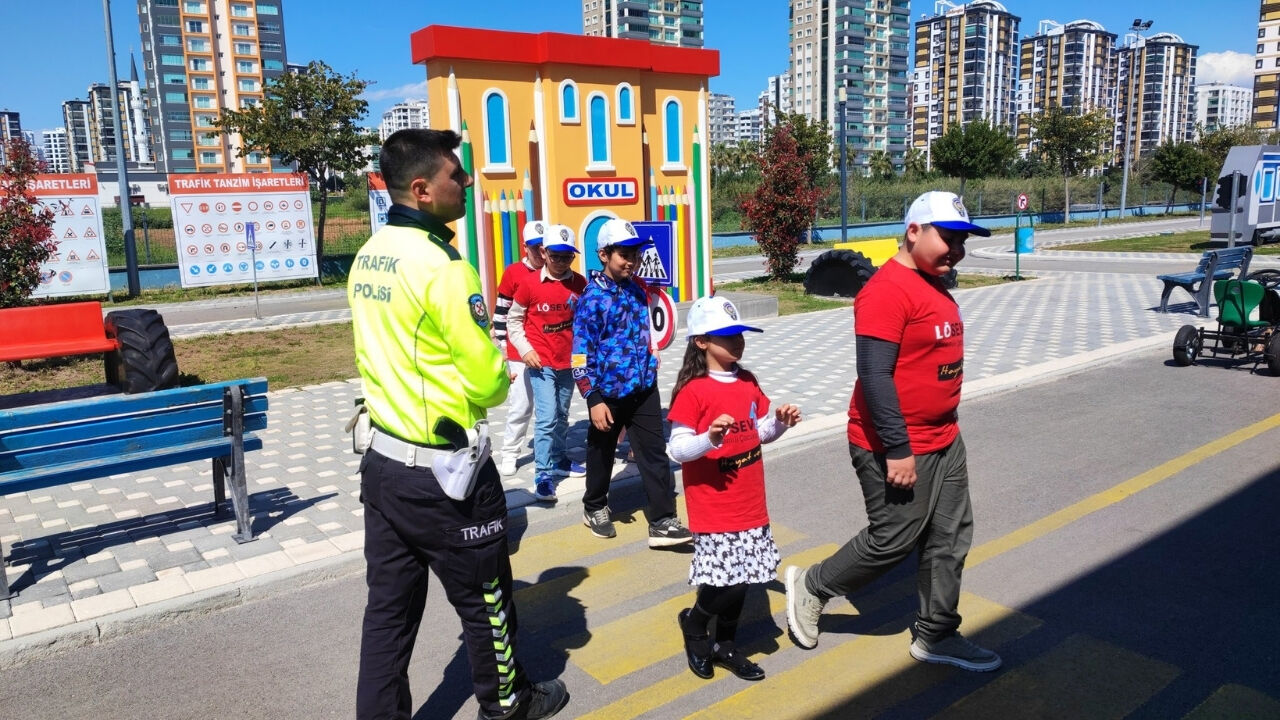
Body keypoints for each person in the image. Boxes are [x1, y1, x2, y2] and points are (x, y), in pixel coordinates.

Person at [349, 128, 568, 720]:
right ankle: (508, 704)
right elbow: (484, 379)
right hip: (449, 475)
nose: (467, 181)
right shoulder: (445, 266)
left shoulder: (371, 254)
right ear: (421, 188)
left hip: (385, 463)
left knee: (388, 613)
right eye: (455, 174)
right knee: (487, 599)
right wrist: (504, 375)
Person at [783, 190, 1001, 673]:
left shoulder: (934, 282)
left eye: (963, 241)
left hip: (944, 437)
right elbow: (875, 375)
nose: (958, 250)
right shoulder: (887, 290)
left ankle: (937, 632)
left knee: (950, 535)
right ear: (914, 231)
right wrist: (899, 450)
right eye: (950, 238)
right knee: (894, 539)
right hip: (895, 443)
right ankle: (813, 585)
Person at [667, 296, 801, 682]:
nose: (737, 341)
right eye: (726, 336)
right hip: (714, 505)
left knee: (743, 579)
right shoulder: (694, 391)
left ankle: (726, 644)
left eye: (739, 334)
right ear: (701, 342)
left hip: (750, 501)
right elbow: (677, 450)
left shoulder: (747, 381)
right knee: (726, 581)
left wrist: (780, 424)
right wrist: (709, 438)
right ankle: (695, 625)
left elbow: (758, 432)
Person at [571, 217, 692, 548]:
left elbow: (648, 332)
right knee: (602, 453)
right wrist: (592, 398)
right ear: (604, 255)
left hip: (643, 390)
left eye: (635, 254)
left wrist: (651, 360)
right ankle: (594, 506)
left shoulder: (639, 289)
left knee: (654, 453)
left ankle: (663, 521)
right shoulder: (592, 298)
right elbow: (580, 356)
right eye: (624, 254)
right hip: (606, 395)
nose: (632, 261)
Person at [507, 224, 588, 503]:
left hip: (569, 362)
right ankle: (543, 474)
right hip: (540, 363)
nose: (562, 262)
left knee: (563, 414)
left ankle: (559, 458)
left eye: (568, 257)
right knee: (547, 417)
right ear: (543, 252)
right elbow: (513, 320)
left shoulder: (580, 283)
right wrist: (525, 350)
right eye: (556, 256)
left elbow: (586, 321)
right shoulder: (529, 284)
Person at [492, 221, 546, 477]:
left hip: (547, 351)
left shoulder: (554, 269)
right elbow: (501, 313)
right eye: (536, 247)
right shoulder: (513, 273)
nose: (541, 252)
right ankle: (510, 452)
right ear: (525, 247)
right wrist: (502, 347)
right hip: (519, 352)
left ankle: (553, 455)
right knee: (522, 406)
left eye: (544, 246)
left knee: (552, 408)